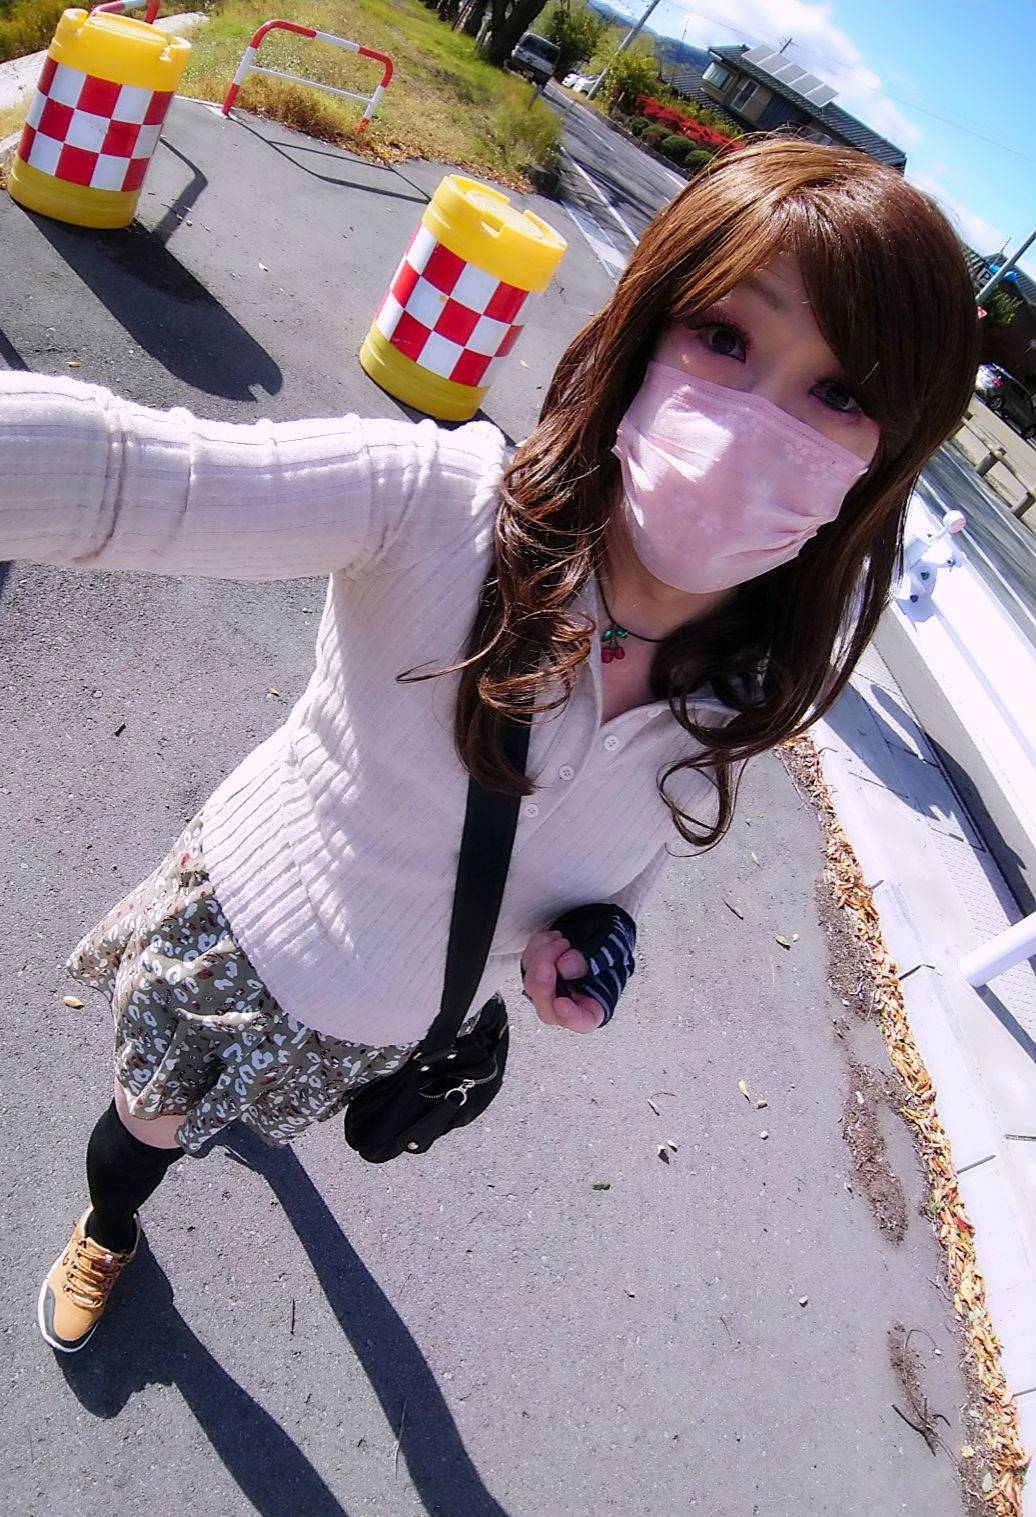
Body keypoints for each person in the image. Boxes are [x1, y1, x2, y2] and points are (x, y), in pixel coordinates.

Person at [0, 137, 978, 1353]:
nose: (753, 424)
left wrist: (602, 944)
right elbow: (139, 477)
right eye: (724, 335)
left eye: (840, 394)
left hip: (387, 1023)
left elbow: (628, 860)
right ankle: (108, 1227)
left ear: (883, 463)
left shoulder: (742, 692)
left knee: (238, 1114)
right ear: (643, 331)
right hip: (239, 933)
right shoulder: (437, 504)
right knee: (144, 1126)